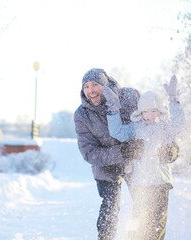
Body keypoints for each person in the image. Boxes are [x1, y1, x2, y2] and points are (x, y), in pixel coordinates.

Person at [102, 75, 185, 240]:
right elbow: (117, 132)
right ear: (141, 112)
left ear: (159, 111)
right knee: (139, 220)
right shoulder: (135, 128)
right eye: (146, 112)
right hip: (140, 183)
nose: (149, 115)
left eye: (153, 111)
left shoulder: (164, 128)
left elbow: (178, 123)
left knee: (158, 221)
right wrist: (113, 110)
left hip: (160, 182)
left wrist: (174, 100)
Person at [74, 68, 141, 240]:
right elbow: (89, 153)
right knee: (110, 207)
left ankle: (142, 235)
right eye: (86, 87)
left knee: (143, 203)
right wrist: (121, 152)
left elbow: (151, 119)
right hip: (107, 166)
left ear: (105, 84)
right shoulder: (82, 115)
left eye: (95, 85)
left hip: (135, 161)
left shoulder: (129, 97)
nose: (91, 90)